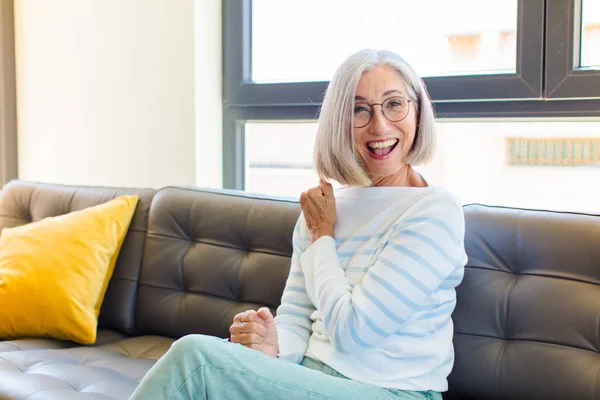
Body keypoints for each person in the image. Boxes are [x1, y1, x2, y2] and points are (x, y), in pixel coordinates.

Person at [129, 48, 468, 400]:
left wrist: (323, 238)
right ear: (339, 122)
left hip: (392, 392)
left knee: (197, 361)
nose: (379, 125)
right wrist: (272, 345)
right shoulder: (323, 210)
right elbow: (296, 320)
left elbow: (354, 332)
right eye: (358, 109)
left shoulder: (434, 211)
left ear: (417, 112)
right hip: (307, 378)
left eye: (394, 104)